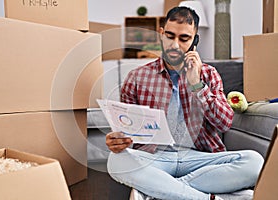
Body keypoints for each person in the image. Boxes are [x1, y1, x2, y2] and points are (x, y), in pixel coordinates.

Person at [105, 6, 264, 200]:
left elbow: (225, 123)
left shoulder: (208, 74)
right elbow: (127, 131)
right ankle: (203, 197)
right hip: (156, 158)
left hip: (200, 157)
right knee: (116, 161)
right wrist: (119, 141)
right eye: (170, 36)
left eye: (184, 39)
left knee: (254, 162)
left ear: (194, 41)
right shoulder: (136, 77)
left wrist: (197, 84)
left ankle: (161, 191)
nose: (174, 45)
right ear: (161, 34)